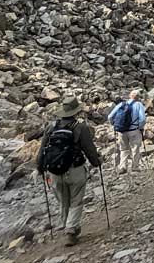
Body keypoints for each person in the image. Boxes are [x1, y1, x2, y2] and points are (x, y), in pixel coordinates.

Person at [36, 97, 102, 246]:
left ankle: (68, 226)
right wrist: (96, 162)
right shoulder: (80, 127)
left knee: (63, 201)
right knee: (76, 200)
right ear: (76, 112)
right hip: (75, 170)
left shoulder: (51, 127)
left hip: (54, 172)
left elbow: (42, 150)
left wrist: (40, 167)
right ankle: (71, 230)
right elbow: (89, 149)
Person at [107, 89, 147, 174]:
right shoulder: (139, 104)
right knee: (135, 149)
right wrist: (139, 127)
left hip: (122, 131)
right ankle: (135, 167)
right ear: (138, 97)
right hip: (134, 131)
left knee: (123, 149)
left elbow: (110, 116)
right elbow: (143, 119)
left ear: (130, 96)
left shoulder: (121, 104)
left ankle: (122, 167)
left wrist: (114, 125)